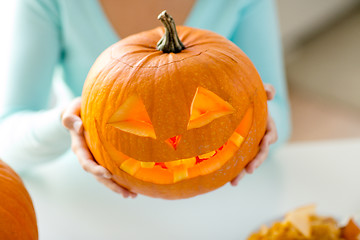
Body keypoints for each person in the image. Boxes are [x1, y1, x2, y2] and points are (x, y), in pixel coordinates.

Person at [0, 0, 290, 198]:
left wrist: (264, 121)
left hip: (229, 202)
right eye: (140, 121)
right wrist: (72, 121)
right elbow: (6, 139)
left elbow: (277, 112)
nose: (174, 139)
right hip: (90, 201)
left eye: (204, 112)